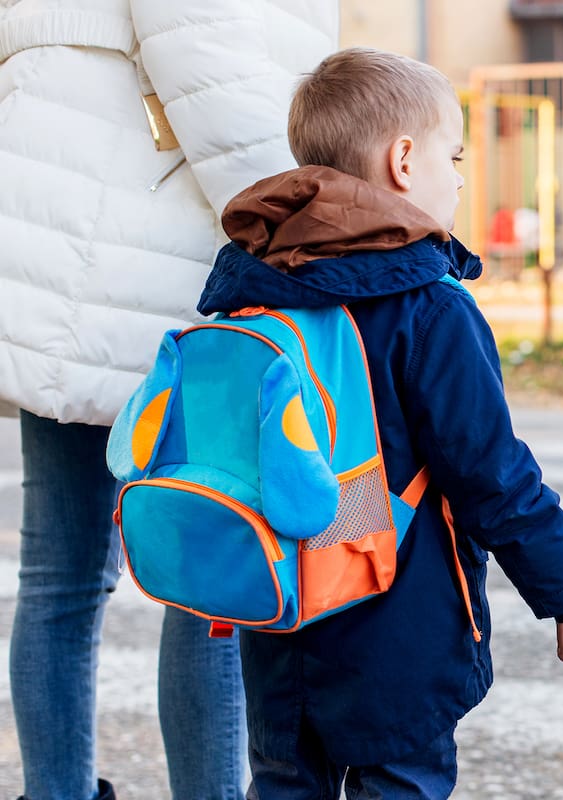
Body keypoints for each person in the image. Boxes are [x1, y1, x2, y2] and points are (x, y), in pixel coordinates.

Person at [194, 47, 563, 799]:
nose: (459, 175)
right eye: (451, 155)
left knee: (285, 783)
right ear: (402, 161)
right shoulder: (429, 305)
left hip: (281, 612)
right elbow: (491, 472)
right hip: (398, 621)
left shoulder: (254, 288)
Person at [0, 3, 338, 798]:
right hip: (153, 258)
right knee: (212, 566)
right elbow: (207, 64)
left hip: (59, 247)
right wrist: (304, 227)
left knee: (61, 571)